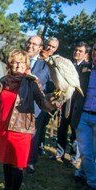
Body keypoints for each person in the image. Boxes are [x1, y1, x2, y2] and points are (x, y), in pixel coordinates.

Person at [0, 49, 62, 190]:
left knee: (17, 165)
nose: (19, 65)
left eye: (22, 62)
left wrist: (53, 100)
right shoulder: (4, 81)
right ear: (10, 64)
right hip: (3, 129)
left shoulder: (31, 82)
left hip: (21, 130)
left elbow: (42, 103)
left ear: (27, 65)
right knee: (6, 162)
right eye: (15, 62)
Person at [51, 41, 90, 166]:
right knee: (61, 128)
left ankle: (73, 158)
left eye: (80, 51)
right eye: (76, 50)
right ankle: (59, 152)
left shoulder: (87, 68)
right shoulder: (67, 64)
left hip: (78, 103)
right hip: (66, 100)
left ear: (86, 54)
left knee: (75, 131)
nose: (77, 52)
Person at [25, 35, 52, 173]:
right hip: (19, 105)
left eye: (34, 44)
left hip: (37, 107)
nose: (30, 46)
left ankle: (30, 162)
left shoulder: (46, 65)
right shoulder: (19, 60)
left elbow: (51, 86)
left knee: (33, 135)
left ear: (40, 48)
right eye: (29, 43)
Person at [72, 42, 95, 190]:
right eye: (94, 50)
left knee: (92, 152)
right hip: (82, 116)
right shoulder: (84, 70)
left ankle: (81, 172)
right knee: (86, 151)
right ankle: (93, 182)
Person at [37, 37, 59, 156]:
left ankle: (40, 145)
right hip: (36, 96)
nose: (50, 48)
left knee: (42, 123)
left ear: (56, 49)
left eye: (53, 47)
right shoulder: (38, 58)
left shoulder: (56, 62)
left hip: (48, 97)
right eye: (49, 45)